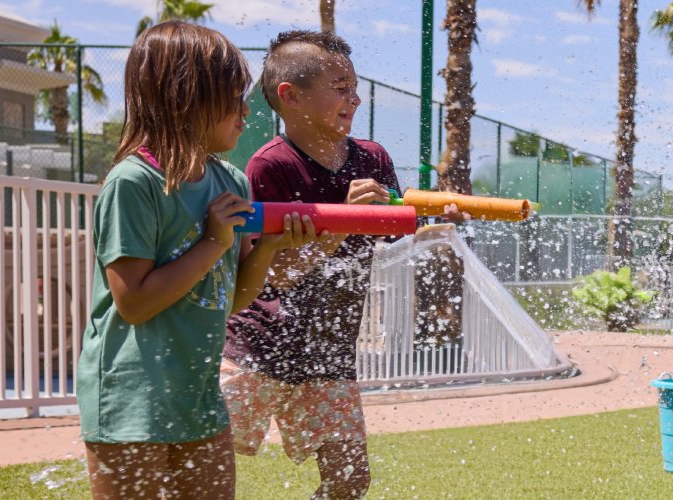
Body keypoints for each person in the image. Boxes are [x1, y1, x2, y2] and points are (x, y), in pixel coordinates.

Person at [79, 21, 322, 500]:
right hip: (132, 399)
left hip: (198, 396)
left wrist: (269, 247)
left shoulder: (230, 181)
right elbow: (133, 304)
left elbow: (231, 300)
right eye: (233, 97)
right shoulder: (134, 184)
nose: (245, 110)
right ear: (187, 98)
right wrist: (213, 242)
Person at [221, 30, 463, 500]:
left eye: (354, 86)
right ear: (291, 97)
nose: (354, 97)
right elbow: (276, 272)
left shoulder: (372, 159)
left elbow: (397, 239)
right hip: (257, 349)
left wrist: (443, 225)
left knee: (349, 482)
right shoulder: (269, 167)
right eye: (339, 86)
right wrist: (343, 223)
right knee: (206, 463)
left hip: (329, 353)